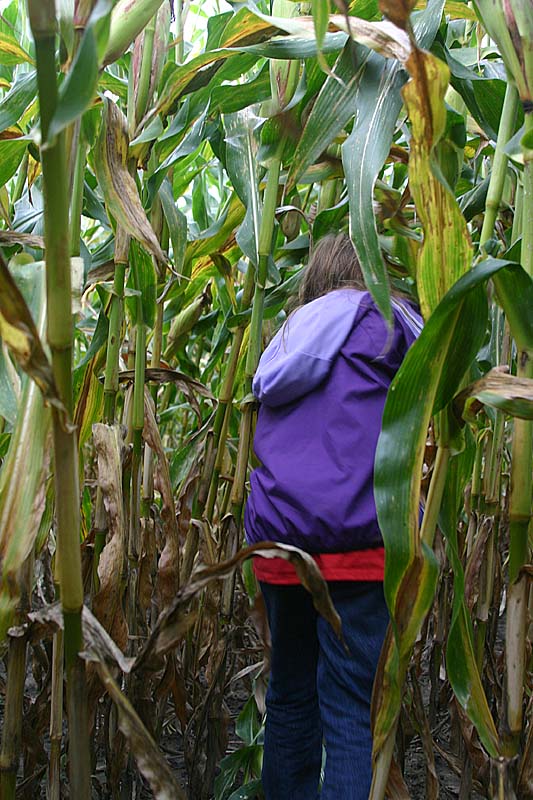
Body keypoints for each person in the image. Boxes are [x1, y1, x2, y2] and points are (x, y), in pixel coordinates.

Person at [244, 233, 423, 800]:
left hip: (279, 546)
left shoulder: (289, 335)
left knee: (291, 695)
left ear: (316, 278)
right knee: (350, 707)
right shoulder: (396, 325)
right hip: (362, 545)